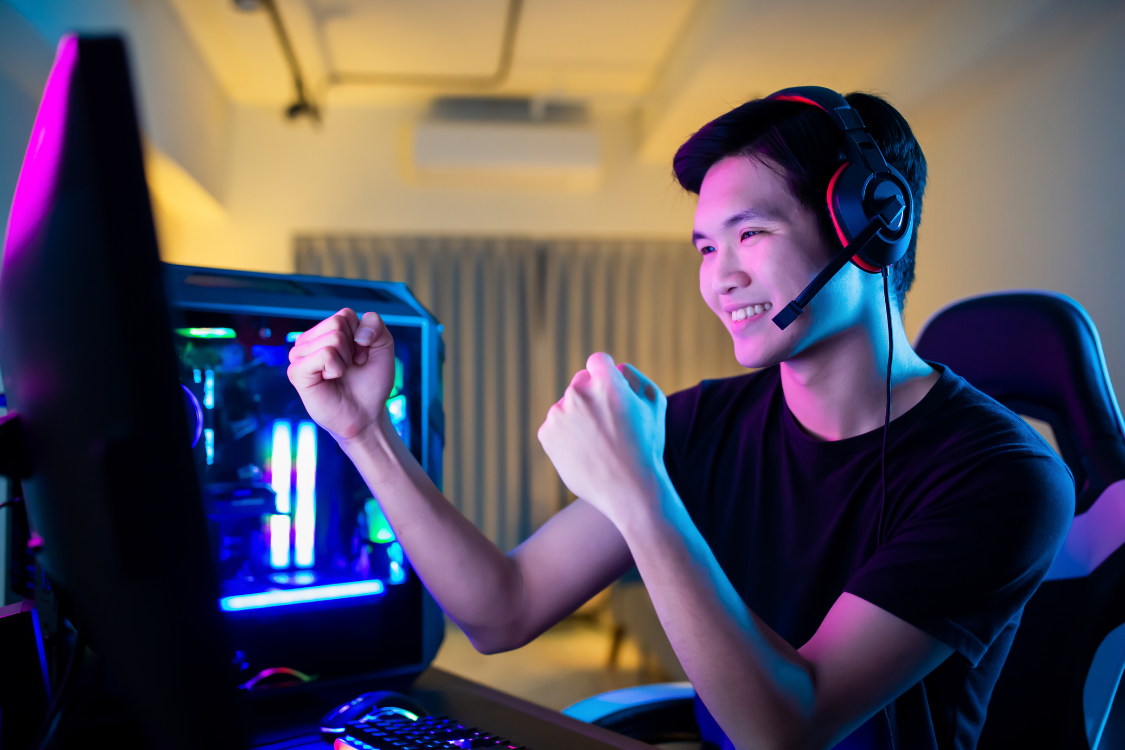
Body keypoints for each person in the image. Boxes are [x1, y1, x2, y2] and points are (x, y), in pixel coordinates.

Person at [287, 92, 1073, 749]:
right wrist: (364, 431)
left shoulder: (1004, 476)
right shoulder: (702, 422)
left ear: (870, 227)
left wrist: (640, 492)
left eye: (751, 235)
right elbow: (501, 610)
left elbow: (786, 729)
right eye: (703, 248)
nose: (719, 279)